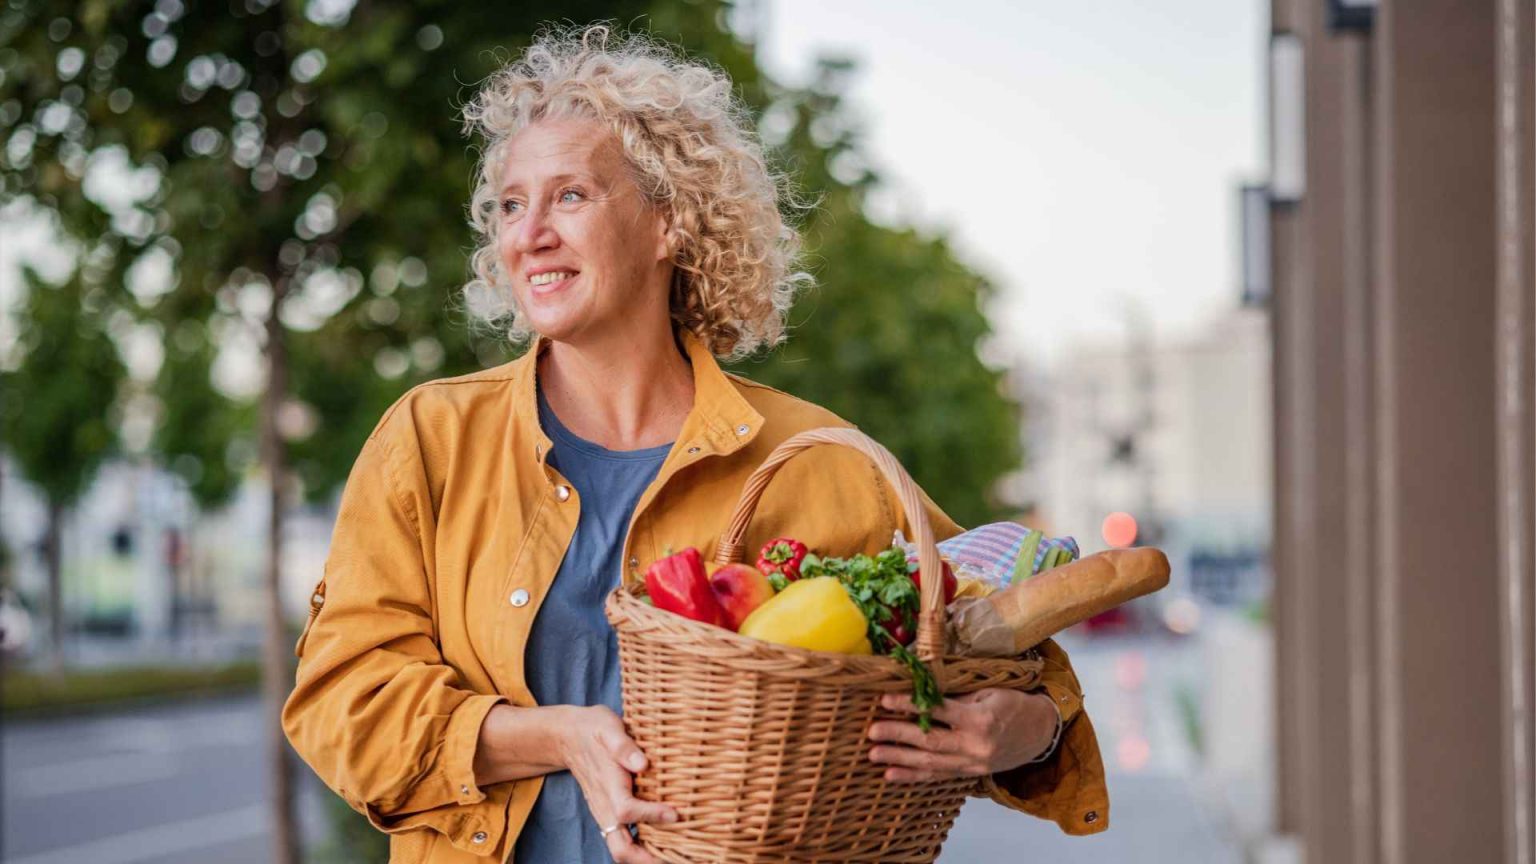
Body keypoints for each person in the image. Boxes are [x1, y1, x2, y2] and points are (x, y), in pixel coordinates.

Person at [282, 24, 1108, 864]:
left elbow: (1006, 647)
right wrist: (553, 737)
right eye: (510, 204)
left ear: (669, 223)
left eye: (571, 196)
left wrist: (1026, 732)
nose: (528, 234)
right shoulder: (431, 439)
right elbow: (343, 704)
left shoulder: (821, 460)